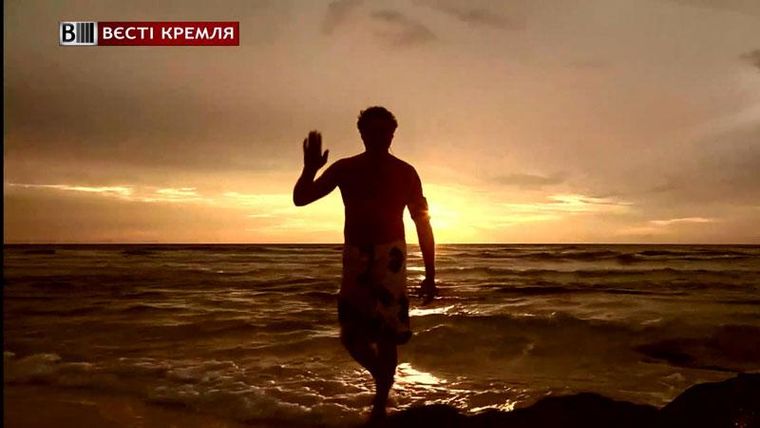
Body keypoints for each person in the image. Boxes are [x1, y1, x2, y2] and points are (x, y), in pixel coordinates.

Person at [293, 106, 437, 420]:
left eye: (384, 132)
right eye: (372, 131)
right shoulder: (346, 168)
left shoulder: (405, 172)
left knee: (387, 334)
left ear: (393, 134)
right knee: (351, 335)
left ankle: (379, 406)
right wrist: (309, 168)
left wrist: (430, 274)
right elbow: (301, 198)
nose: (379, 137)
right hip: (355, 255)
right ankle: (383, 379)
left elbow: (423, 223)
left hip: (391, 255)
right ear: (361, 134)